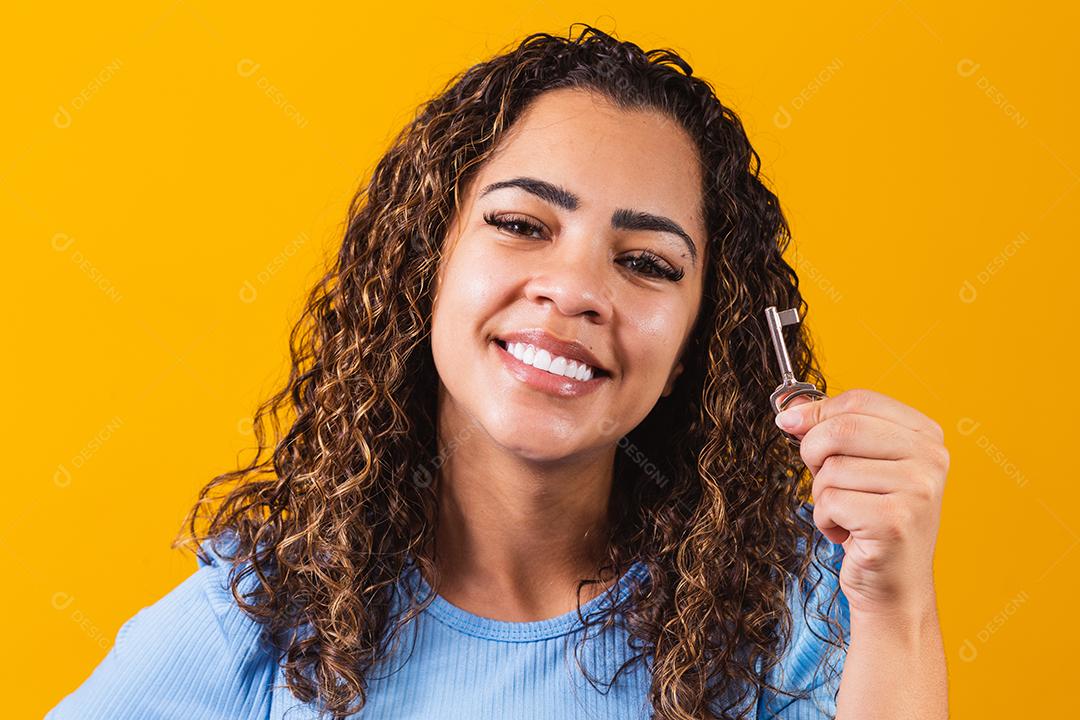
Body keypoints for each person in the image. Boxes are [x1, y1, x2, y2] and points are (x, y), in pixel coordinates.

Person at [46, 23, 948, 720]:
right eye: (522, 224)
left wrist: (894, 604)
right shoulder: (266, 615)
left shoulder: (786, 607)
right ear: (426, 265)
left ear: (689, 354)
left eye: (647, 263)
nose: (575, 290)